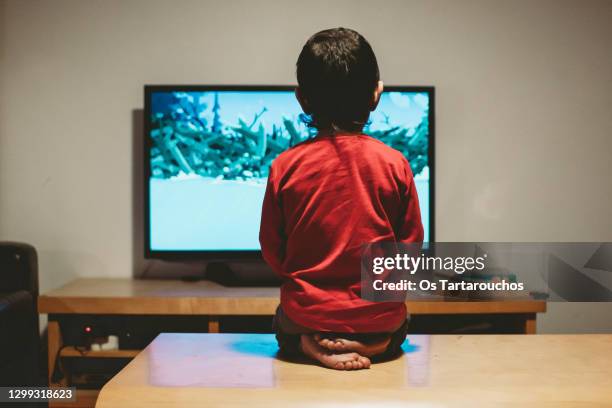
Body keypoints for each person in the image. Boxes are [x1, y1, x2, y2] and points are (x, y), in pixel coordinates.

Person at [259, 27, 423, 370]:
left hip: (306, 317)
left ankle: (308, 345)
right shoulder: (395, 165)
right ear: (375, 95)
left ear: (301, 98)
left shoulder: (284, 167)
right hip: (378, 317)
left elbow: (274, 252)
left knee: (283, 325)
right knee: (399, 328)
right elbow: (409, 250)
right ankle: (377, 345)